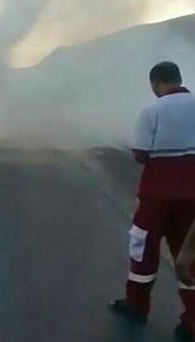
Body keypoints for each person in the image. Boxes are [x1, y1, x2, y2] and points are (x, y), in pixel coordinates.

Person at [109, 62, 195, 341]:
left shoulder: (151, 111)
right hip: (192, 197)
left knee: (142, 249)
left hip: (156, 196)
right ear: (180, 79)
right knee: (188, 256)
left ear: (155, 83)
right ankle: (191, 322)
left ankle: (137, 306)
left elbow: (140, 153)